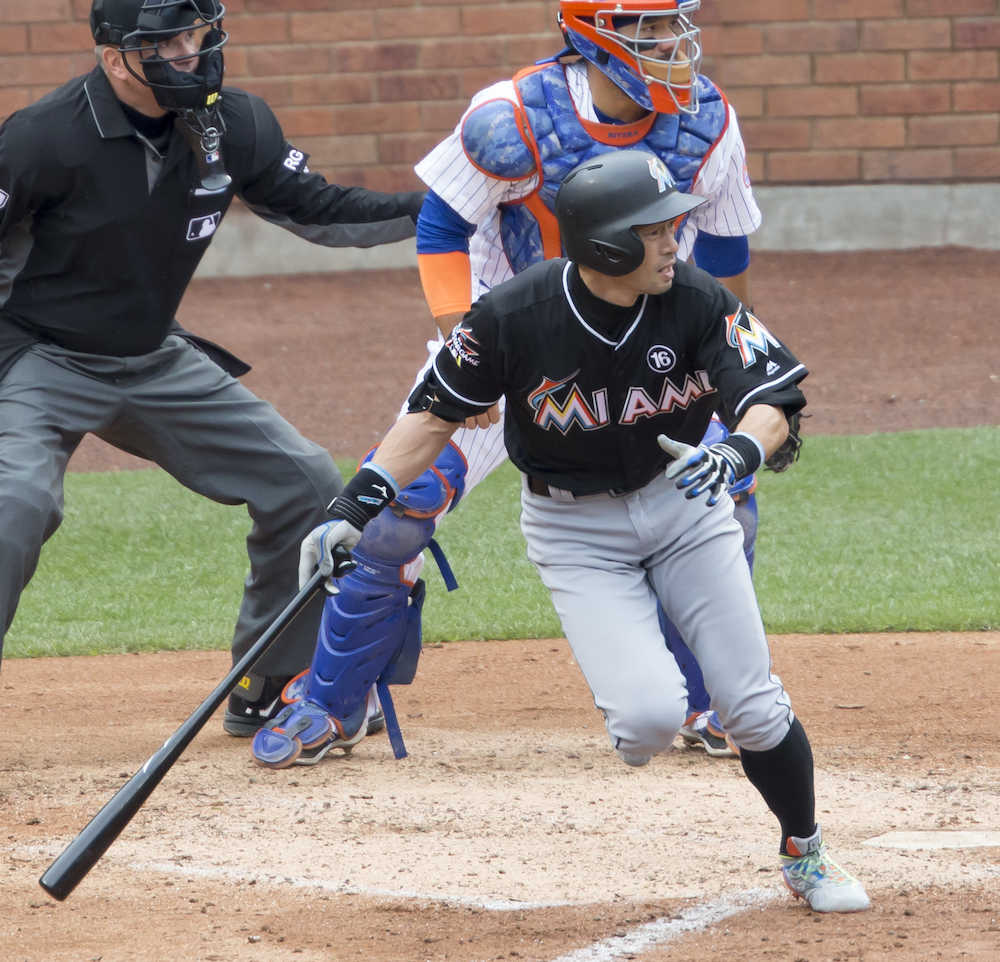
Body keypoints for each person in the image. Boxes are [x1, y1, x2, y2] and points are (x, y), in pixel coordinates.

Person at [281, 151, 870, 913]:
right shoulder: (512, 316)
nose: (673, 242)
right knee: (649, 722)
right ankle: (636, 702)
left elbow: (772, 398)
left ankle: (805, 851)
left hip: (685, 511)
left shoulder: (695, 299)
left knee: (751, 706)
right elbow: (433, 417)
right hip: (574, 528)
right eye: (657, 230)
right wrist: (351, 507)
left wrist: (737, 450)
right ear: (607, 245)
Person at [253, 0, 770, 763]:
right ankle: (333, 701)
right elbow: (441, 226)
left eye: (672, 26)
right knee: (397, 507)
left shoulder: (709, 119)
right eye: (648, 30)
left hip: (651, 354)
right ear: (595, 35)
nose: (670, 43)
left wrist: (732, 374)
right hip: (515, 352)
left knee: (723, 487)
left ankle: (709, 699)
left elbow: (725, 254)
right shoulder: (513, 116)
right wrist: (461, 341)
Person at [0, 0, 423, 740]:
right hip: (37, 355)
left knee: (308, 484)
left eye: (193, 36)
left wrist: (442, 211)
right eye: (163, 42)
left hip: (151, 354)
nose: (188, 53)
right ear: (114, 58)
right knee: (17, 505)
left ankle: (269, 679)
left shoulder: (233, 123)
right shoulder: (42, 139)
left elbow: (317, 210)